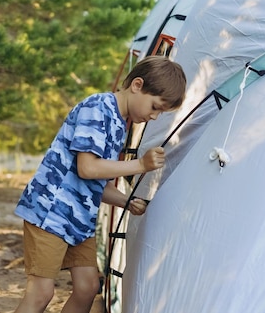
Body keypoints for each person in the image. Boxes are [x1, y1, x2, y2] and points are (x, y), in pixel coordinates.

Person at [13, 56, 187, 313]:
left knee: (87, 287)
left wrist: (126, 202)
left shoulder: (119, 123)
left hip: (78, 217)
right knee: (41, 293)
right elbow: (88, 167)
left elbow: (95, 181)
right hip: (50, 211)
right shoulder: (98, 108)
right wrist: (141, 165)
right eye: (155, 107)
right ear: (137, 85)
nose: (154, 116)